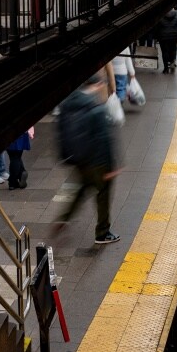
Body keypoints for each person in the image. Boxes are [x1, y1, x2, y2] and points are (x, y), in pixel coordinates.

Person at [55, 74, 121, 244]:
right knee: (103, 193)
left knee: (82, 188)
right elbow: (103, 139)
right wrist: (111, 167)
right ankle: (102, 232)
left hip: (78, 159)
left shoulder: (69, 103)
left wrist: (67, 155)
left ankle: (64, 218)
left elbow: (61, 131)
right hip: (97, 161)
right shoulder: (96, 108)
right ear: (98, 85)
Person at [155, 8, 177, 73]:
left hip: (163, 36)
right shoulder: (176, 13)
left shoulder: (160, 14)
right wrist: (174, 28)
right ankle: (172, 62)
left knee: (164, 51)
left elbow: (157, 25)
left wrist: (157, 35)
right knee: (173, 49)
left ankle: (166, 68)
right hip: (174, 35)